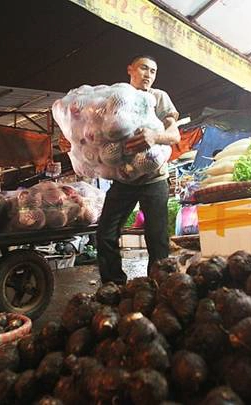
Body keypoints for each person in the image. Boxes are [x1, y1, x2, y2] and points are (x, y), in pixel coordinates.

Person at [97, 55, 180, 285]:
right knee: (105, 234)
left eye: (153, 71)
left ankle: (159, 286)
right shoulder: (117, 97)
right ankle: (114, 285)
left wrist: (155, 136)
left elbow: (174, 135)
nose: (148, 75)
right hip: (124, 180)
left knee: (157, 238)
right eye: (144, 68)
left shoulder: (159, 97)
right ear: (130, 69)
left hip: (154, 180)